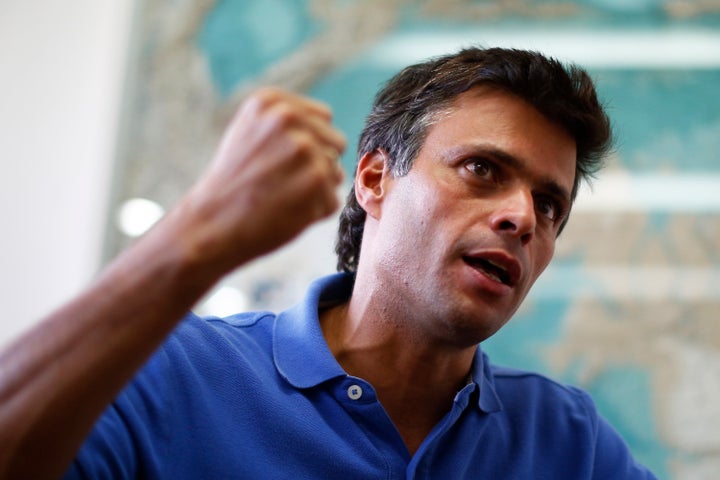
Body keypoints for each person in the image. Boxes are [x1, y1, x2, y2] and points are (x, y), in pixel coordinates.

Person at [0, 47, 657, 479]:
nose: (521, 217)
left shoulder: (569, 442)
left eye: (550, 206)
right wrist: (194, 239)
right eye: (482, 169)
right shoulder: (176, 372)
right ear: (374, 179)